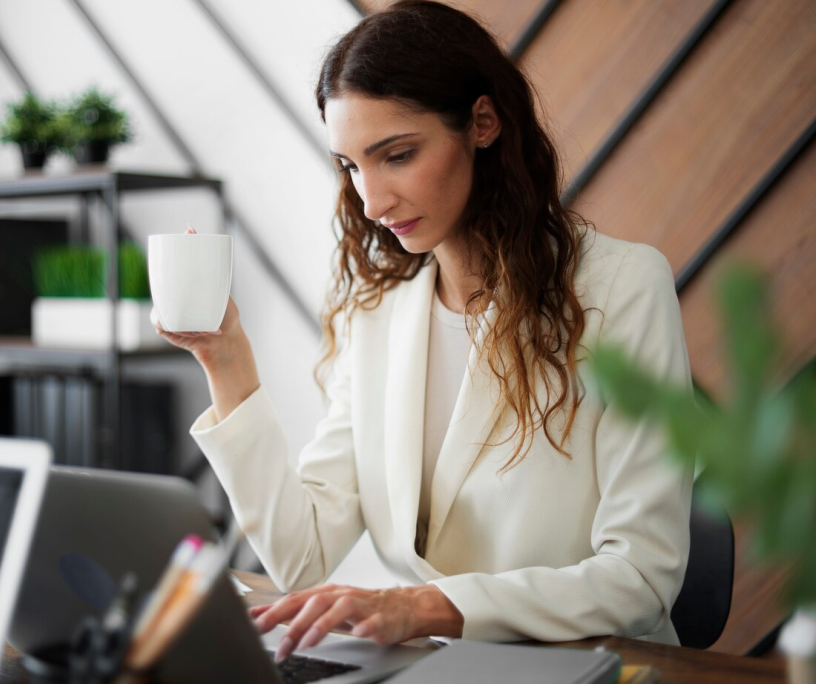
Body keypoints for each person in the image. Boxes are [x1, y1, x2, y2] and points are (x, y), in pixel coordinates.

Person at [154, 0, 693, 660]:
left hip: (588, 666)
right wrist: (227, 360)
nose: (371, 202)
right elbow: (302, 556)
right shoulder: (379, 315)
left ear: (483, 124)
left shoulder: (621, 290)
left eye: (397, 155)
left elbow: (642, 575)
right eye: (350, 167)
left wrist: (422, 606)